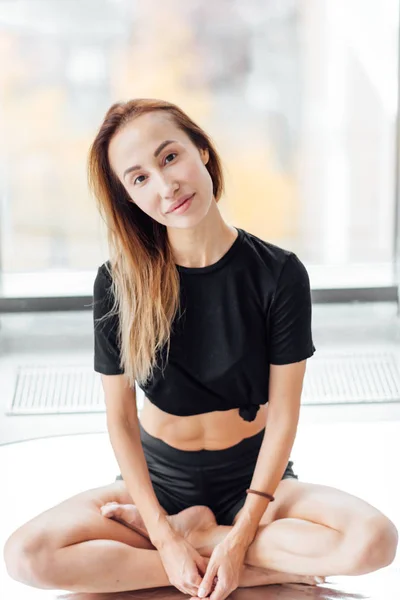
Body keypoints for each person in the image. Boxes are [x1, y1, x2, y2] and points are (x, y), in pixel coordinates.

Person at [3, 99, 398, 598]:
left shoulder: (278, 274)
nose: (165, 186)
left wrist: (244, 525)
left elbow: (284, 417)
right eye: (139, 178)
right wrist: (163, 533)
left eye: (169, 158)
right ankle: (218, 558)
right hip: (157, 481)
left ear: (203, 152)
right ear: (129, 196)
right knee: (26, 556)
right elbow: (121, 421)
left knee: (374, 541)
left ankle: (206, 539)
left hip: (254, 480)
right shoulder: (119, 283)